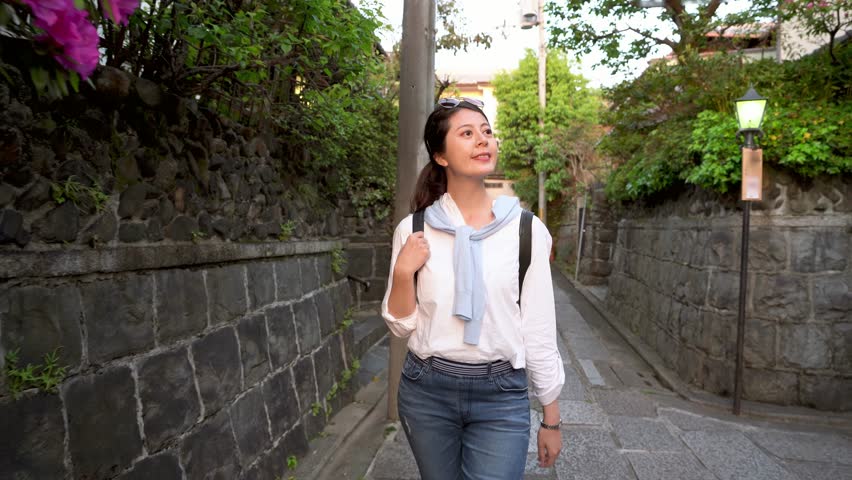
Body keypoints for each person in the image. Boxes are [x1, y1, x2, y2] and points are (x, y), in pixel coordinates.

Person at [381, 97, 565, 480]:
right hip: (427, 391)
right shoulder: (414, 230)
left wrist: (551, 418)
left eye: (486, 132)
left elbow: (538, 330)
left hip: (501, 395)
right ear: (441, 156)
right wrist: (402, 273)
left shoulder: (526, 230)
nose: (483, 140)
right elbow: (400, 326)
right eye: (467, 133)